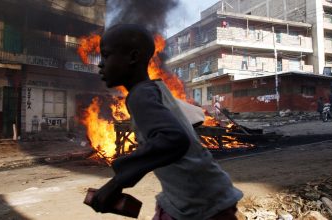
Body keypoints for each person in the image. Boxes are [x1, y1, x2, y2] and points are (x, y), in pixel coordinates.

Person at [93, 24, 243, 219]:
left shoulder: (140, 96)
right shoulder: (156, 89)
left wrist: (116, 183)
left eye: (106, 55)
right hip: (207, 194)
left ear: (132, 57)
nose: (100, 64)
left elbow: (173, 138)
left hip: (200, 204)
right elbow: (192, 119)